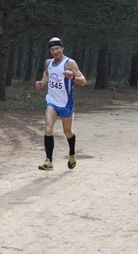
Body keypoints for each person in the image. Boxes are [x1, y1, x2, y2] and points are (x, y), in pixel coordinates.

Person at [35, 37, 86, 171]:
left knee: (67, 132)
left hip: (65, 103)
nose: (55, 51)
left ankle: (72, 154)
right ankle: (49, 161)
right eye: (52, 49)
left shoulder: (69, 63)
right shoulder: (48, 62)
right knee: (48, 129)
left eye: (57, 48)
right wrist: (42, 82)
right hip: (51, 101)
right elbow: (47, 73)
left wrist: (73, 77)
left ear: (62, 48)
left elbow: (83, 81)